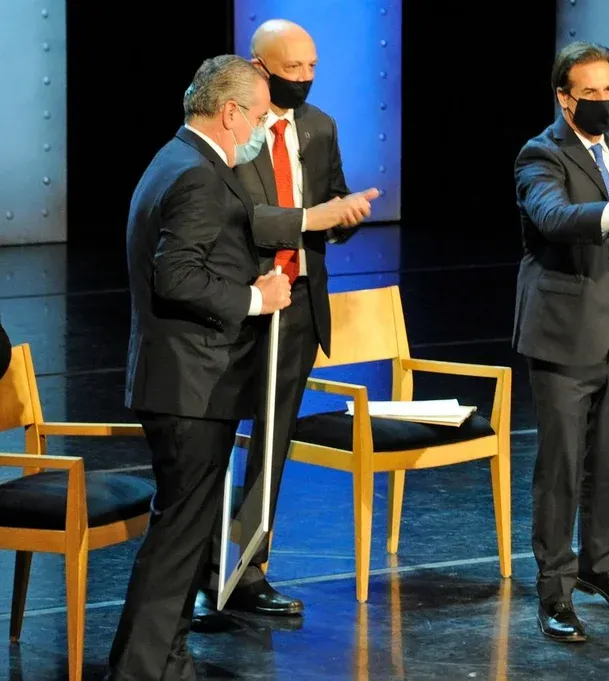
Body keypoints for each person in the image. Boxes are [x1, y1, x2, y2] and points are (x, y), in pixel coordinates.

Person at [108, 55, 291, 681]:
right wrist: (254, 298)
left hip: (183, 382)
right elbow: (177, 276)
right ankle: (140, 668)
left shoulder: (175, 158)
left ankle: (168, 660)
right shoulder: (197, 175)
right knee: (178, 538)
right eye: (260, 117)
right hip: (189, 386)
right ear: (230, 112)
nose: (264, 128)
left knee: (186, 536)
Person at [199, 17, 380, 618]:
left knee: (273, 441)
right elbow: (239, 218)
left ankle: (248, 569)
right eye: (291, 68)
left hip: (298, 302)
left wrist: (345, 217)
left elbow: (330, 202)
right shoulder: (234, 128)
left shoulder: (319, 126)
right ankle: (201, 575)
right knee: (214, 442)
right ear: (259, 68)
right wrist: (312, 218)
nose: (303, 78)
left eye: (311, 68)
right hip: (239, 302)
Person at [513, 41, 609, 644]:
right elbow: (552, 218)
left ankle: (602, 564)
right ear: (564, 98)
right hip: (564, 334)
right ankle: (555, 588)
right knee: (562, 467)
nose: (604, 101)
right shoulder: (540, 154)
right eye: (590, 92)